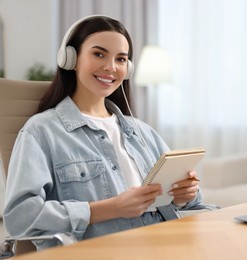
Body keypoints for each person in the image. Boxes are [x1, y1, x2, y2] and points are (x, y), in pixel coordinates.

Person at [3, 15, 204, 250]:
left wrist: (183, 197)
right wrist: (109, 209)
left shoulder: (142, 131)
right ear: (71, 59)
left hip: (164, 245)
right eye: (99, 54)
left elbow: (190, 206)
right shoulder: (41, 132)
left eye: (121, 59)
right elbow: (19, 218)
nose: (110, 67)